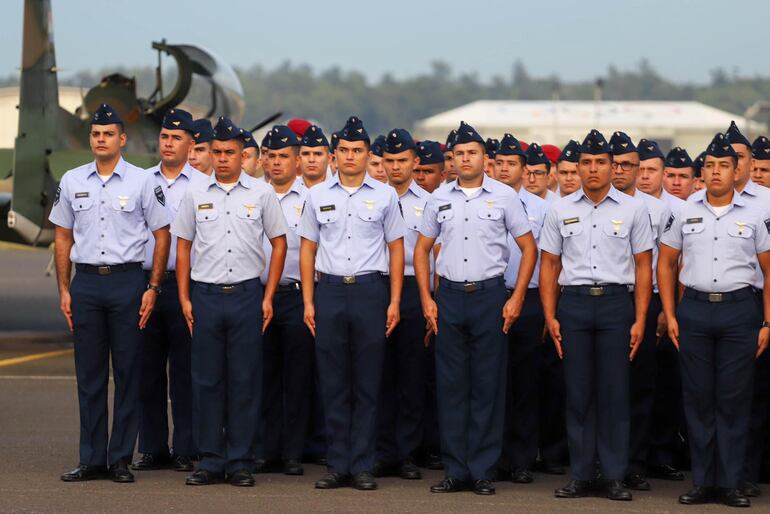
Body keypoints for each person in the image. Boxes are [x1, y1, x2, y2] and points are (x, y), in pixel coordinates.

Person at [415, 121, 537, 496]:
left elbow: (529, 248)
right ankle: (455, 469)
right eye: (459, 154)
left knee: (487, 385)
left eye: (472, 153)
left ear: (485, 158)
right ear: (452, 159)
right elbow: (421, 250)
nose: (465, 159)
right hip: (449, 297)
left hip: (489, 297)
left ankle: (483, 469)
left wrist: (516, 297)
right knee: (452, 387)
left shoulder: (503, 197)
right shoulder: (439, 198)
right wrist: (427, 300)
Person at [52, 103, 172, 483]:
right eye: (95, 134)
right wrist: (64, 289)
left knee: (127, 373)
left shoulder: (142, 181)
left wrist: (153, 286)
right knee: (88, 376)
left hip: (127, 283)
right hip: (85, 282)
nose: (100, 139)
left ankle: (120, 458)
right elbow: (62, 236)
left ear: (122, 139)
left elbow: (162, 234)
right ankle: (91, 459)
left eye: (108, 134)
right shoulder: (72, 180)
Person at [172, 116, 288, 487]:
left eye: (230, 153)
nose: (222, 159)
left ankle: (239, 461)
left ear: (244, 156)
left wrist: (269, 295)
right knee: (206, 380)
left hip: (245, 295)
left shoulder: (262, 193)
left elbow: (279, 241)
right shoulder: (195, 193)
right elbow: (184, 245)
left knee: (244, 380)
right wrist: (185, 297)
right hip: (206, 295)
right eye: (217, 152)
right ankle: (209, 460)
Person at [539, 129, 654, 502]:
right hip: (573, 304)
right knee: (578, 392)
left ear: (612, 167)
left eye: (600, 163)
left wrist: (639, 319)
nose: (592, 169)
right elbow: (549, 265)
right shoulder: (561, 208)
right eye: (585, 163)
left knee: (614, 392)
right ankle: (583, 474)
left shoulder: (633, 209)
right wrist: (550, 314)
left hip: (615, 304)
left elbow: (643, 266)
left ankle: (614, 475)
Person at [658, 132, 770, 507]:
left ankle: (732, 483)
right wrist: (671, 314)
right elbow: (667, 262)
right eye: (710, 165)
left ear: (738, 170)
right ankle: (704, 481)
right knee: (699, 399)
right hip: (696, 310)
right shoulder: (686, 210)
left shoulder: (755, 215)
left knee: (734, 400)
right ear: (702, 171)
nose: (717, 172)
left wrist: (767, 323)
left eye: (724, 165)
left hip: (740, 311)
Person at [298, 116, 406, 491]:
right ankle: (337, 464)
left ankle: (362, 464)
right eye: (343, 150)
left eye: (357, 151)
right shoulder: (317, 196)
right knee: (333, 381)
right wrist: (309, 302)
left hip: (369, 292)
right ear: (334, 155)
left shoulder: (385, 195)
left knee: (367, 381)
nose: (349, 156)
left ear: (367, 154)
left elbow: (396, 248)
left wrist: (394, 300)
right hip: (329, 291)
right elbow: (308, 248)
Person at [132, 108, 206, 475]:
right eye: (164, 137)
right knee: (146, 369)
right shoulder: (141, 181)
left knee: (185, 369)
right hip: (146, 283)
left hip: (185, 284)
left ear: (191, 145)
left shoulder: (203, 185)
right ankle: (152, 447)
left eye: (177, 138)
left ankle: (185, 447)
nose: (168, 143)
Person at [607, 131, 678, 491]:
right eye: (614, 164)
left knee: (640, 385)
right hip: (605, 302)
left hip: (644, 302)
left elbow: (667, 265)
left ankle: (634, 462)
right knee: (604, 386)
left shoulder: (657, 210)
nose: (620, 171)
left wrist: (664, 310)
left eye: (627, 165)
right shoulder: (593, 203)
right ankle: (604, 461)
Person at [374, 128, 430, 481]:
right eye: (389, 161)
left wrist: (429, 299)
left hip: (413, 287)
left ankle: (407, 452)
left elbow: (435, 255)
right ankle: (381, 450)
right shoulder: (372, 198)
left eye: (402, 160)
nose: (395, 167)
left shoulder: (428, 203)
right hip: (376, 286)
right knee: (378, 374)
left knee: (412, 373)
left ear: (415, 162)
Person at [258, 125, 315, 476]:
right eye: (271, 156)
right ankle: (266, 450)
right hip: (258, 295)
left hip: (296, 295)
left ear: (297, 162)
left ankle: (294, 452)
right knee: (262, 376)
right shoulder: (253, 195)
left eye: (283, 157)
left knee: (297, 377)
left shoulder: (312, 199)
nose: (276, 163)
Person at [492, 133, 549, 484]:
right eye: (498, 163)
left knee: (527, 381)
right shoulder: (482, 201)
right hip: (490, 296)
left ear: (525, 170)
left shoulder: (543, 208)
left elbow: (549, 261)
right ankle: (494, 456)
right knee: (493, 381)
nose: (503, 169)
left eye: (511, 163)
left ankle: (522, 459)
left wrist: (546, 308)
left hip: (527, 298)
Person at [637, 139, 684, 211]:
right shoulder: (623, 206)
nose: (645, 176)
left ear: (664, 174)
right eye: (640, 170)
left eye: (651, 170)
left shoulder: (681, 208)